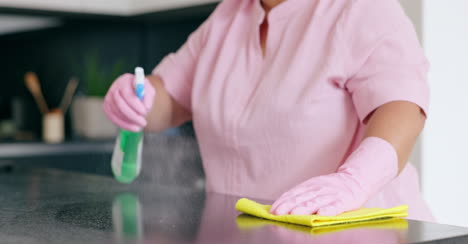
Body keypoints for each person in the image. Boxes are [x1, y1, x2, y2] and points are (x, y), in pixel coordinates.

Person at [103, 0, 434, 221]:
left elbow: (401, 106)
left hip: (363, 240)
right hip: (257, 238)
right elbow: (170, 99)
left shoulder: (358, 8)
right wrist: (139, 99)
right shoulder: (228, 17)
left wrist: (355, 182)